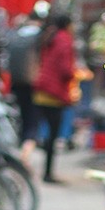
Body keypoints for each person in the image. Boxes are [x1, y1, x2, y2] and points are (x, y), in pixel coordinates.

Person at [33, 13, 75, 183]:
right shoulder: (65, 39)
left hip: (41, 89)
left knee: (44, 132)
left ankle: (43, 170)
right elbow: (66, 69)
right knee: (53, 134)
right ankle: (48, 173)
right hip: (54, 92)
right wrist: (74, 75)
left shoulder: (51, 37)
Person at [5, 13, 43, 168]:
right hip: (34, 84)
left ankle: (21, 146)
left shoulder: (16, 34)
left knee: (21, 116)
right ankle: (25, 154)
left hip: (16, 82)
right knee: (32, 120)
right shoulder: (39, 36)